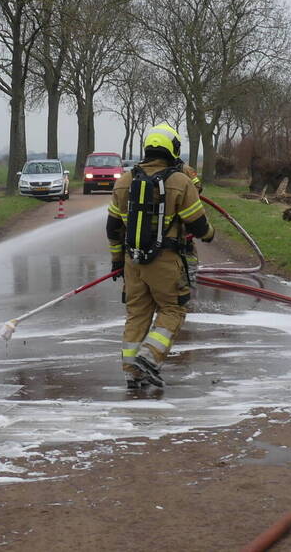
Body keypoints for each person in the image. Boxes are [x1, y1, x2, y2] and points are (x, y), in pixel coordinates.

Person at [106, 123, 215, 389]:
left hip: (133, 262)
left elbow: (112, 227)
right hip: (165, 261)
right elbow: (199, 226)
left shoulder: (124, 182)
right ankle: (150, 356)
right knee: (173, 309)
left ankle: (132, 372)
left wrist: (118, 261)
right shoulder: (180, 182)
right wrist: (210, 234)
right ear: (173, 150)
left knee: (137, 314)